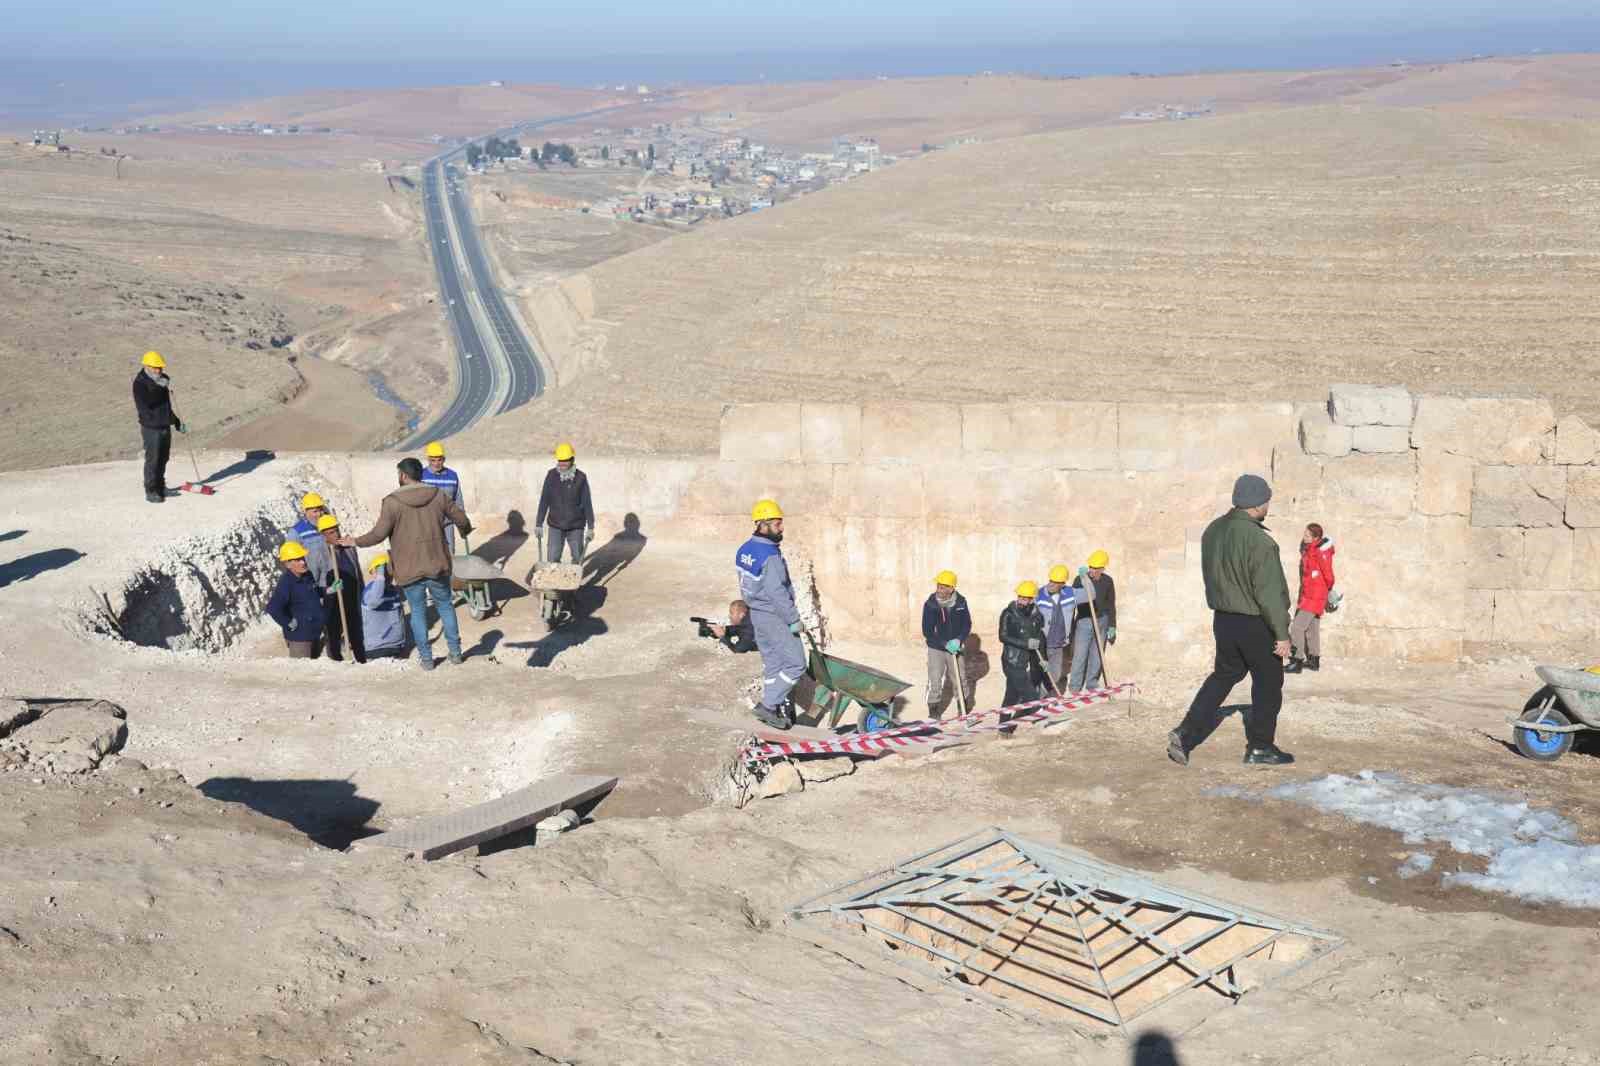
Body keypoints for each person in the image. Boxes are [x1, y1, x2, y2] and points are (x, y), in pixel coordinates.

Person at [1168, 474, 1294, 767]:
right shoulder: (1259, 542)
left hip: (1223, 620)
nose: (1268, 506)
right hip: (1255, 623)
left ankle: (1185, 733)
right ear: (1257, 504)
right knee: (1268, 682)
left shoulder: (1213, 530)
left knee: (1224, 676)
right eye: (1266, 502)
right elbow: (1269, 593)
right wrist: (1282, 633)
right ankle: (1261, 746)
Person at [342, 457, 473, 671]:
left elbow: (378, 534)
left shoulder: (392, 502)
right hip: (437, 563)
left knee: (418, 611)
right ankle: (456, 653)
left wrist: (354, 541)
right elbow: (461, 517)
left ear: (403, 475)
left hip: (409, 567)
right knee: (446, 606)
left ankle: (427, 659)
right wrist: (465, 529)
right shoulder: (437, 495)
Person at [737, 499, 805, 730]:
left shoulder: (745, 550)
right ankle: (768, 705)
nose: (781, 528)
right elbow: (777, 593)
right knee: (796, 664)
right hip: (774, 616)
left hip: (756, 614)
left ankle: (773, 710)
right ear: (763, 524)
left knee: (773, 663)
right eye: (777, 524)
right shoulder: (770, 556)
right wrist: (793, 620)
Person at [131, 350, 184, 503]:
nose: (159, 370)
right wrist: (159, 387)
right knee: (153, 459)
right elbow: (146, 405)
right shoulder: (140, 384)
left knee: (163, 458)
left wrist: (176, 421)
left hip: (164, 425)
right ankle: (151, 490)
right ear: (146, 366)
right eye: (155, 368)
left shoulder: (160, 380)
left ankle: (161, 487)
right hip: (151, 428)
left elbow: (165, 406)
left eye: (160, 368)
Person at [921, 569, 972, 719]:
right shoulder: (930, 605)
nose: (939, 589)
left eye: (943, 587)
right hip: (936, 647)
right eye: (938, 586)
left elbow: (967, 624)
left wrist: (959, 640)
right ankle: (934, 710)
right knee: (935, 678)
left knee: (960, 678)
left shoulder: (961, 602)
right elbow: (927, 631)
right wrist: (945, 643)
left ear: (952, 588)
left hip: (955, 647)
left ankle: (963, 707)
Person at [316, 514, 366, 664]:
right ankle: (336, 663)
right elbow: (314, 580)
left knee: (356, 633)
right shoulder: (319, 553)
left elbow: (357, 571)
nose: (336, 534)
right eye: (331, 532)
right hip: (332, 602)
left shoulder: (349, 548)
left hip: (351, 597)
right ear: (323, 535)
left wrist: (362, 592)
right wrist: (329, 590)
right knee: (334, 635)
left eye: (336, 530)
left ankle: (361, 661)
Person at [1287, 524, 1336, 673]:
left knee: (1297, 627)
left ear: (1316, 538)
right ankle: (1314, 661)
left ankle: (1297, 661)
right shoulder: (1309, 549)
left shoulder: (1321, 552)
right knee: (1312, 628)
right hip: (1309, 593)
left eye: (1308, 536)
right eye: (1304, 534)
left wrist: (1326, 590)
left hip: (1315, 595)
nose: (1304, 537)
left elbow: (1328, 575)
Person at [536, 442, 594, 564]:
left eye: (565, 460)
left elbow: (587, 502)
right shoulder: (551, 476)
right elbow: (544, 500)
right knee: (552, 559)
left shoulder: (581, 478)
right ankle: (555, 582)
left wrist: (591, 527)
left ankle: (573, 581)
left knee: (578, 558)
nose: (562, 464)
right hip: (555, 525)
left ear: (572, 459)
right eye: (560, 460)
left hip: (576, 526)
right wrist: (538, 523)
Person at [265, 541, 325, 658]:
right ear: (288, 564)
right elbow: (273, 608)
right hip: (300, 639)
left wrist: (329, 590)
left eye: (302, 558)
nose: (303, 562)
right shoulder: (286, 583)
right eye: (297, 560)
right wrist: (288, 622)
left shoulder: (307, 576)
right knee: (303, 672)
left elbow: (316, 592)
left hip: (315, 632)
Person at [1069, 550, 1117, 692]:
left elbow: (1111, 604)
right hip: (1084, 621)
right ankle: (1075, 686)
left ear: (1102, 569)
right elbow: (1073, 602)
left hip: (1102, 620)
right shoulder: (1079, 579)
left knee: (1097, 654)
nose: (1092, 571)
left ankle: (1092, 683)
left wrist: (1112, 625)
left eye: (1096, 568)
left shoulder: (1108, 581)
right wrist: (1085, 581)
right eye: (1091, 567)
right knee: (1080, 655)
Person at [998, 580, 1046, 711]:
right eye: (1020, 597)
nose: (1021, 601)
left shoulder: (1037, 616)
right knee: (1030, 695)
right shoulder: (1008, 613)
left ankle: (1005, 728)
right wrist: (1026, 644)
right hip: (1011, 660)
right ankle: (1037, 718)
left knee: (1011, 696)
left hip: (1025, 660)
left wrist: (1043, 659)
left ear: (1032, 600)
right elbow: (1002, 636)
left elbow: (1039, 638)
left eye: (1025, 599)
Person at [360, 552, 409, 659]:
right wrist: (380, 575)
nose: (388, 576)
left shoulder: (394, 591)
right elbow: (374, 601)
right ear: (374, 573)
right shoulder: (370, 591)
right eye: (384, 572)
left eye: (389, 572)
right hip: (377, 649)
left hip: (396, 646)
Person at [1035, 565, 1075, 692]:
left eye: (1055, 582)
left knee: (1055, 675)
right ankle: (1036, 702)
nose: (1051, 584)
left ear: (1063, 584)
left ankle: (1044, 701)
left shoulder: (1070, 593)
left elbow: (1091, 595)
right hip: (1043, 644)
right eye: (1050, 580)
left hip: (1058, 644)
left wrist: (1084, 579)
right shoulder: (1039, 594)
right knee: (1040, 675)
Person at [421, 441, 465, 554]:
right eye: (433, 460)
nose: (436, 463)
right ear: (428, 459)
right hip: (427, 524)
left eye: (439, 459)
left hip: (447, 523)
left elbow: (458, 499)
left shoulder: (452, 475)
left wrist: (462, 522)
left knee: (449, 554)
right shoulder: (421, 476)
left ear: (444, 459)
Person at [290, 492, 334, 590]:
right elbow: (292, 562)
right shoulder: (296, 532)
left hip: (330, 580)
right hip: (311, 584)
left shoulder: (326, 526)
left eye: (320, 510)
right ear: (305, 512)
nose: (319, 514)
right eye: (315, 511)